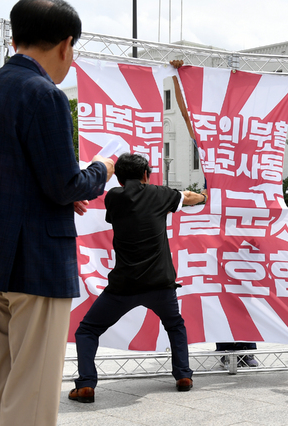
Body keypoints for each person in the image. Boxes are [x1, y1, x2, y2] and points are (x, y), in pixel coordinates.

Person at [0, 1, 115, 425]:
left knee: (3, 376)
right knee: (34, 386)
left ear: (14, 38)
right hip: (36, 262)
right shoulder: (45, 95)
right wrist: (100, 171)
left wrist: (57, 191)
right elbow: (65, 183)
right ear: (66, 45)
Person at [70, 153, 205, 402]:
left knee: (88, 330)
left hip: (124, 285)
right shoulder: (161, 194)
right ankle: (183, 375)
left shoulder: (114, 197)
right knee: (175, 326)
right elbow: (188, 197)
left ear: (119, 179)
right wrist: (205, 196)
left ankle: (86, 385)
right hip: (160, 283)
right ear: (145, 175)